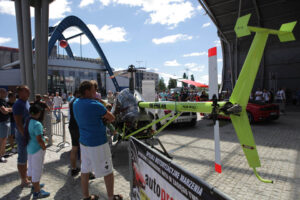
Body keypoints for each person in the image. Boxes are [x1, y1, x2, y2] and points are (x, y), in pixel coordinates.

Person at [73, 81, 122, 200]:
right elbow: (112, 117)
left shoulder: (75, 102)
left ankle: (86, 197)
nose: (95, 92)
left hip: (84, 141)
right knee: (108, 171)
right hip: (98, 143)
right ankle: (111, 197)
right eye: (93, 90)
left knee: (85, 170)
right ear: (87, 91)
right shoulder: (95, 105)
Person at [25, 104, 50, 199]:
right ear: (39, 113)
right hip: (37, 150)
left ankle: (34, 186)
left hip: (30, 148)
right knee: (37, 170)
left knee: (31, 168)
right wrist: (44, 147)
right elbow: (40, 140)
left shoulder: (28, 121)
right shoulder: (37, 124)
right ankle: (37, 192)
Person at [13, 85, 31, 186]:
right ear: (20, 93)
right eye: (26, 91)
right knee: (22, 157)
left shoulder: (26, 102)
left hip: (26, 133)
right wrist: (25, 136)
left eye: (29, 91)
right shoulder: (18, 104)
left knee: (26, 156)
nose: (29, 92)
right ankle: (23, 180)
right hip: (22, 135)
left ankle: (26, 176)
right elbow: (18, 123)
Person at [68, 90, 81, 176]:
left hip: (72, 126)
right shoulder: (78, 102)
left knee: (74, 148)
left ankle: (73, 168)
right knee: (83, 149)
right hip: (78, 127)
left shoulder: (71, 101)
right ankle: (86, 171)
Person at [0, 88, 12, 163]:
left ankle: (2, 154)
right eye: (4, 92)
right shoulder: (0, 102)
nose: (6, 94)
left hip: (5, 122)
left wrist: (8, 109)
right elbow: (4, 111)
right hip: (2, 122)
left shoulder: (3, 101)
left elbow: (6, 110)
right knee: (3, 140)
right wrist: (11, 109)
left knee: (4, 139)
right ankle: (1, 156)